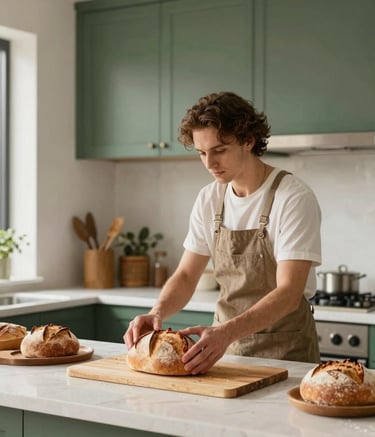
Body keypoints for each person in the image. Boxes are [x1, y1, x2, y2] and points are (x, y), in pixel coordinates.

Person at [124, 91, 321, 374]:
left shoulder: (293, 197)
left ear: (248, 141)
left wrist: (227, 332)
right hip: (223, 352)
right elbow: (187, 275)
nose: (209, 163)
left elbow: (289, 292)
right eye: (202, 153)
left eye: (219, 150)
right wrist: (157, 312)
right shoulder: (209, 198)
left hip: (287, 353)